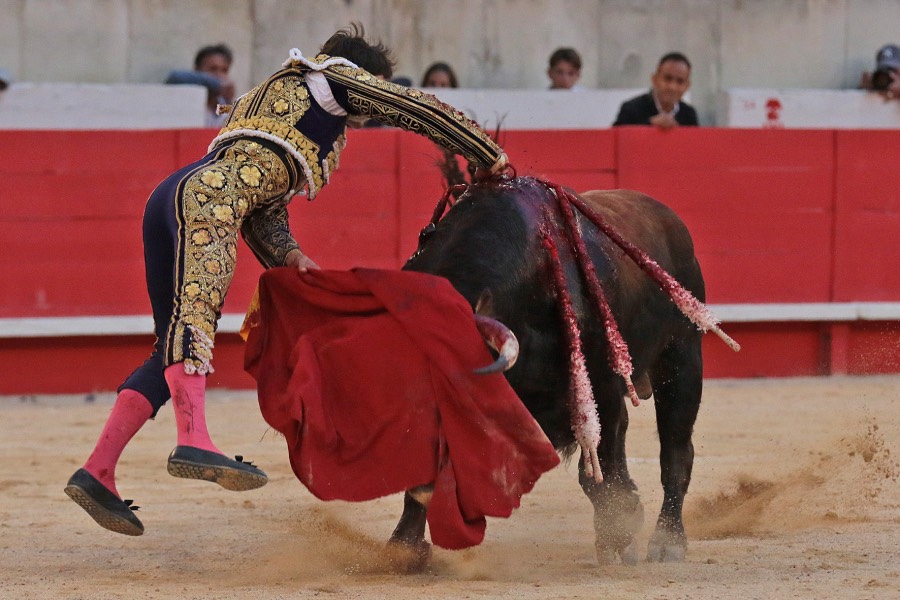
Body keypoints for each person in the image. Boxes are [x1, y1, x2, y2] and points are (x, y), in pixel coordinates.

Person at [64, 23, 508, 537]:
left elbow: (260, 199)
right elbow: (415, 107)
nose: (369, 112)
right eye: (374, 89)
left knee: (170, 345)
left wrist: (291, 255)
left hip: (177, 195)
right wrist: (486, 153)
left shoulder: (275, 96)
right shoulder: (338, 77)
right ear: (363, 73)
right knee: (195, 325)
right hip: (208, 200)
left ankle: (97, 471)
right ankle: (195, 439)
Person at [613, 52, 699, 129]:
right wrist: (649, 124)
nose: (672, 87)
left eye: (680, 81)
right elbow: (616, 141)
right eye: (667, 79)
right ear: (654, 79)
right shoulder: (631, 109)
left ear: (687, 86)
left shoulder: (689, 114)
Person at [166, 44, 236, 127]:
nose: (219, 75)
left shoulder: (223, 103)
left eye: (224, 70)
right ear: (197, 70)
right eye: (213, 69)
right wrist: (217, 85)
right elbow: (175, 77)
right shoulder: (188, 101)